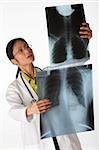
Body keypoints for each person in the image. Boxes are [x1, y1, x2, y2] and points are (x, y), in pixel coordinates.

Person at [6, 22, 92, 150]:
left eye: (27, 46)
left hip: (65, 139)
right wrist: (29, 110)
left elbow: (73, 66)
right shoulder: (14, 88)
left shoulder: (50, 74)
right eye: (21, 50)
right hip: (40, 144)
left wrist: (84, 41)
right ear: (14, 61)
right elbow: (13, 111)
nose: (27, 50)